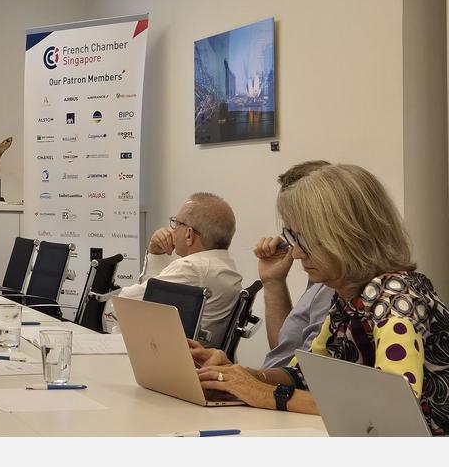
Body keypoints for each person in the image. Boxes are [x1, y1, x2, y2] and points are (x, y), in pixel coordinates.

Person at [191, 164, 449, 435]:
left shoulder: (397, 298)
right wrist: (233, 376)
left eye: (306, 239)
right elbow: (302, 376)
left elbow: (389, 408)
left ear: (350, 236)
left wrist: (264, 393)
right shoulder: (348, 297)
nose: (297, 253)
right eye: (293, 238)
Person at [115, 192, 243, 343]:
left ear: (189, 234)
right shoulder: (223, 264)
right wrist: (156, 253)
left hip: (174, 355)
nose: (173, 230)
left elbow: (126, 302)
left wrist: (155, 255)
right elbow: (151, 295)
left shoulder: (193, 268)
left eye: (177, 223)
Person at [258, 160, 337, 368]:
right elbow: (286, 355)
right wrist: (273, 282)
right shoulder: (323, 278)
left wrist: (243, 376)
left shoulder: (337, 286)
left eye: (303, 235)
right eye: (292, 234)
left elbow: (307, 375)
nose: (296, 252)